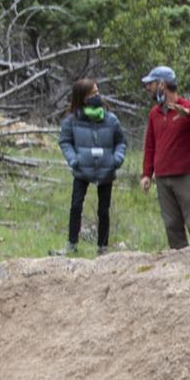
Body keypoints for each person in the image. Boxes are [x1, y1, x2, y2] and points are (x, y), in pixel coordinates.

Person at [137, 65, 190, 251]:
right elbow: (150, 145)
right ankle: (181, 269)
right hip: (163, 178)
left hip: (185, 176)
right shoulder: (154, 114)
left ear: (162, 84)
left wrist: (189, 115)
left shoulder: (187, 107)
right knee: (172, 225)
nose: (148, 88)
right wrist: (146, 174)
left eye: (151, 84)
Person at [57, 77, 125, 256]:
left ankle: (103, 247)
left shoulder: (111, 119)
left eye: (97, 92)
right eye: (92, 93)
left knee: (104, 210)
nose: (97, 96)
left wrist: (116, 160)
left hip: (106, 169)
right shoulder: (71, 120)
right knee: (76, 206)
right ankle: (71, 244)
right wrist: (74, 160)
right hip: (82, 169)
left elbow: (121, 142)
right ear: (82, 96)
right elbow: (65, 141)